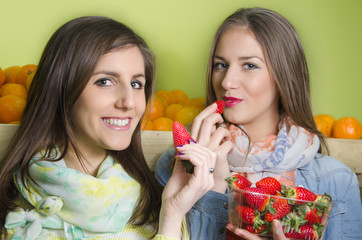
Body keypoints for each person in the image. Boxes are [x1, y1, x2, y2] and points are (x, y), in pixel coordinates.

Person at [0, 16, 218, 240]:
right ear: (61, 88)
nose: (129, 102)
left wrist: (171, 215)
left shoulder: (154, 202)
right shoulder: (15, 215)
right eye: (105, 81)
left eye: (136, 84)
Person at [155, 7, 362, 240]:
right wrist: (214, 186)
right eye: (221, 65)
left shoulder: (337, 181)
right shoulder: (177, 167)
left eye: (250, 65)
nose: (227, 81)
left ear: (284, 76)